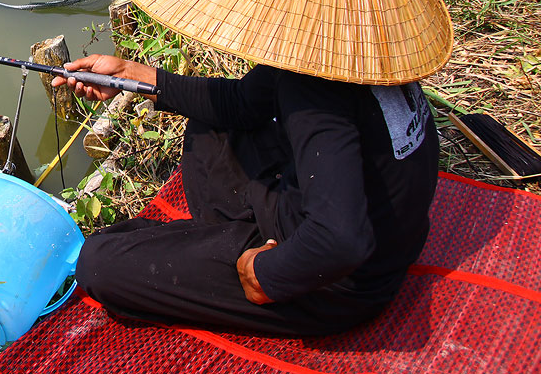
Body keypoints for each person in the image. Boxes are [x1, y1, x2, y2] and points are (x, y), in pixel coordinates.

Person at [52, 53, 439, 335]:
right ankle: (219, 251)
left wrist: (263, 273)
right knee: (208, 129)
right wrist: (127, 73)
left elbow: (341, 242)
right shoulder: (356, 47)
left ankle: (233, 259)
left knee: (98, 263)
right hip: (361, 218)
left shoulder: (315, 88)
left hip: (338, 279)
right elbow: (239, 103)